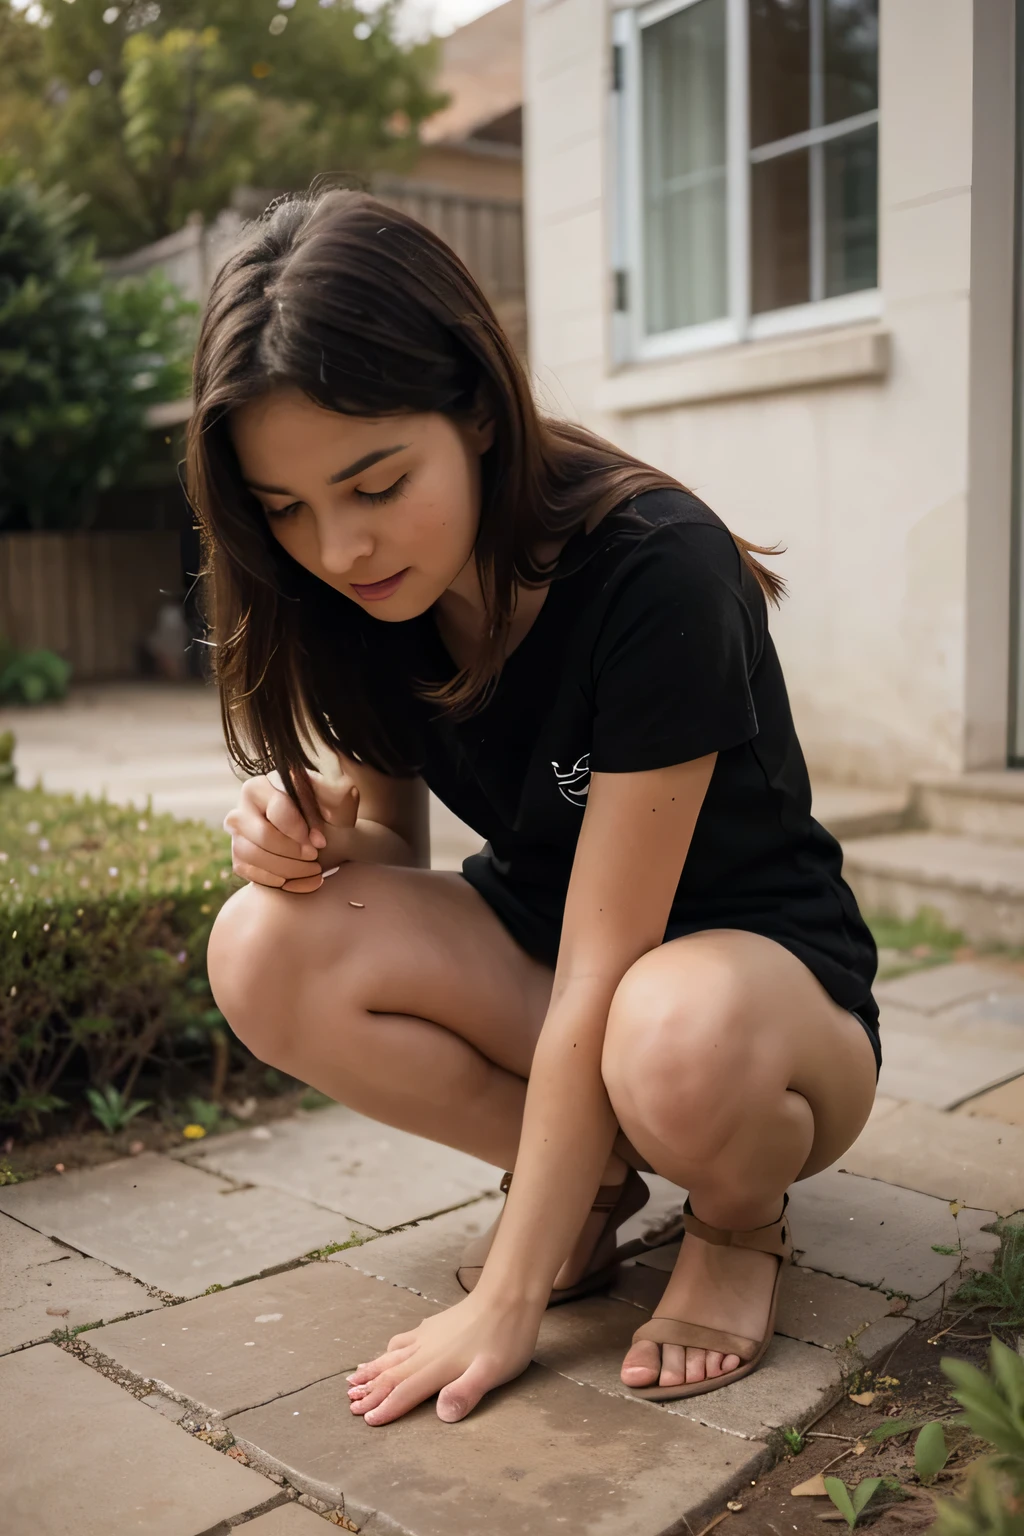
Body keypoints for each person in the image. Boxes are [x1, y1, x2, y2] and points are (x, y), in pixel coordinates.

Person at [194, 187, 880, 1429]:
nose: (341, 547)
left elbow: (604, 970)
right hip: (559, 960)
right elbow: (398, 855)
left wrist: (508, 1293)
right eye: (287, 510)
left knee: (662, 1032)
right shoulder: (364, 599)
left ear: (476, 406)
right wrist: (308, 837)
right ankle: (597, 1185)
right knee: (263, 941)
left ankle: (735, 1221)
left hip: (758, 1001)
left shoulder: (653, 569)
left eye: (375, 481)